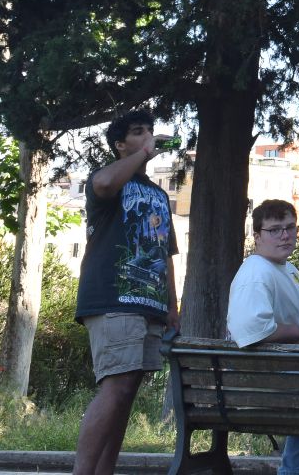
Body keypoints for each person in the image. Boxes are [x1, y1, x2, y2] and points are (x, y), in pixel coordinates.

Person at [72, 113, 179, 475]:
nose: (148, 136)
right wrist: (143, 155)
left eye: (149, 130)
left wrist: (172, 308)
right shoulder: (110, 180)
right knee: (116, 387)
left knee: (126, 394)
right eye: (138, 132)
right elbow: (102, 183)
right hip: (113, 299)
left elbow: (165, 253)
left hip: (150, 306)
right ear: (121, 145)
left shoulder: (159, 194)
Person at [226, 200, 299, 474]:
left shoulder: (285, 268)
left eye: (290, 228)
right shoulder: (256, 273)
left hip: (282, 377)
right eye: (275, 230)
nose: (285, 235)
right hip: (263, 385)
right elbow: (251, 332)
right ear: (257, 236)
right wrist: (296, 332)